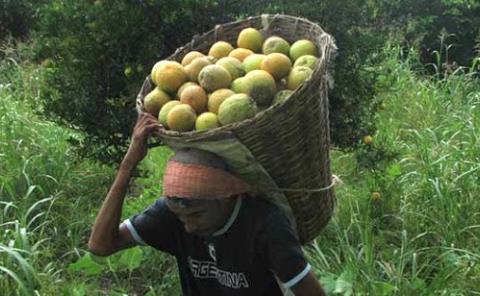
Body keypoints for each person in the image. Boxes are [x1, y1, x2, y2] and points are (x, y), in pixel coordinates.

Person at [88, 112, 328, 296]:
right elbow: (101, 245)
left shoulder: (265, 225)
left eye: (197, 215)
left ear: (226, 197)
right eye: (182, 218)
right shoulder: (172, 215)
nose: (189, 227)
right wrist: (129, 163)